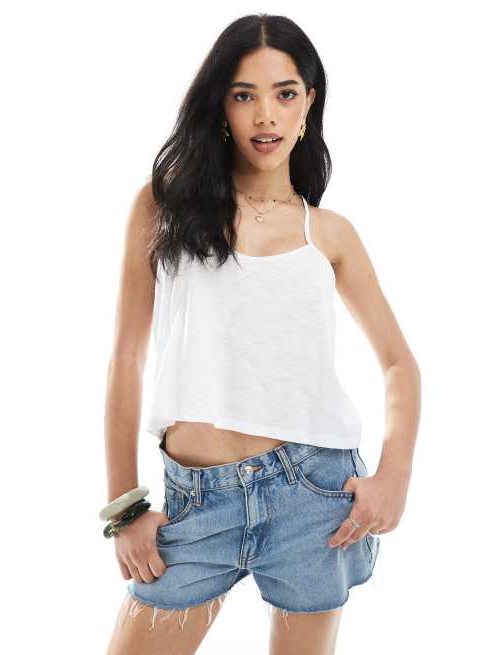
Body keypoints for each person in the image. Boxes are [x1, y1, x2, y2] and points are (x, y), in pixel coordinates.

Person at [104, 13, 421, 655]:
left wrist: (394, 478)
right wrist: (125, 507)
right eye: (244, 94)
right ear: (221, 106)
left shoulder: (328, 233)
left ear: (309, 104)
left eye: (285, 93)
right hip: (198, 501)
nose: (266, 116)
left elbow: (398, 364)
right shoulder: (163, 207)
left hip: (315, 496)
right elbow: (126, 359)